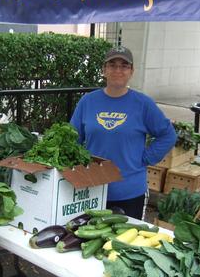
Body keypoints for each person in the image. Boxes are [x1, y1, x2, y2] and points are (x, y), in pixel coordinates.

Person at [70, 46, 177, 220]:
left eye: (124, 65)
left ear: (131, 71)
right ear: (104, 70)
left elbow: (168, 135)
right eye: (112, 65)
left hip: (129, 191)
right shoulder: (88, 101)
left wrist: (145, 159)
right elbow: (72, 138)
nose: (118, 70)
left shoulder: (143, 104)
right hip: (92, 189)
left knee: (124, 245)